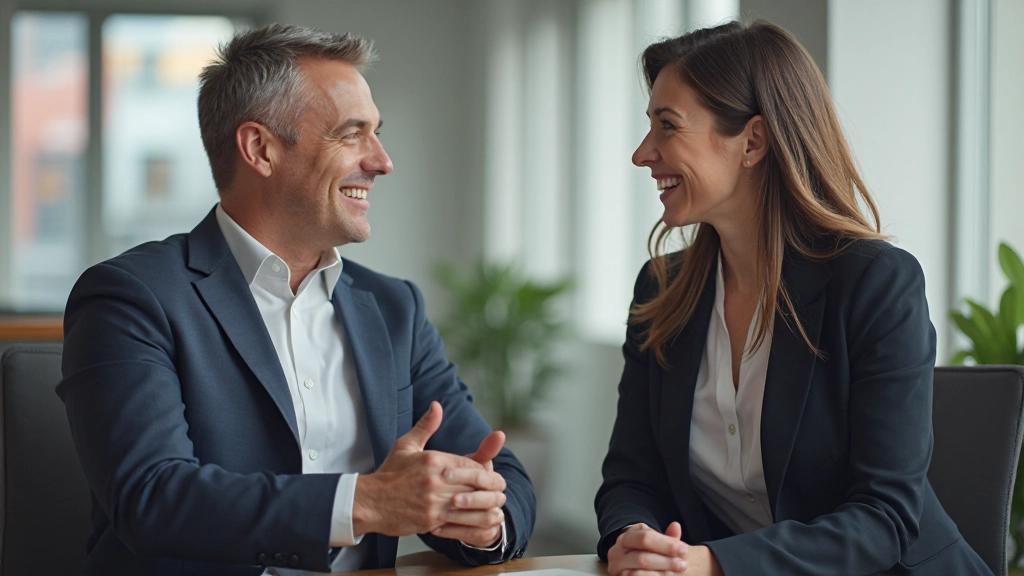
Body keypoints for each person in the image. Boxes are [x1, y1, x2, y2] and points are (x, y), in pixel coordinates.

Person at [58, 24, 534, 575]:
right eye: (352, 134)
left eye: (377, 132)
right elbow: (153, 497)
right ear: (260, 148)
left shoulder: (394, 308)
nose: (382, 161)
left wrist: (482, 518)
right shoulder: (130, 297)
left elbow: (502, 475)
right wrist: (368, 502)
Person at [594, 20, 992, 576]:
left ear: (752, 141)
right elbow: (632, 478)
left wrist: (711, 564)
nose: (643, 154)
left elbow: (885, 519)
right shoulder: (661, 290)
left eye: (668, 127)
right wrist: (636, 539)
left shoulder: (876, 284)